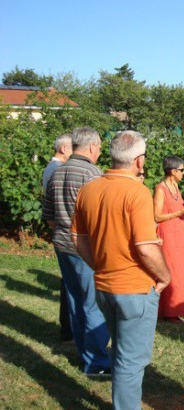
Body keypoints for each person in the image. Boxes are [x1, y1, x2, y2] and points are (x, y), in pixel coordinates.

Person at [71, 130, 171, 410]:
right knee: (131, 360)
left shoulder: (89, 188)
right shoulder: (136, 192)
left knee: (121, 354)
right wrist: (165, 276)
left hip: (104, 286)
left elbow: (77, 238)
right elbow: (146, 247)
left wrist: (101, 264)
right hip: (134, 289)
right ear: (139, 161)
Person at [41, 127, 110, 376]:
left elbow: (48, 216)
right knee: (94, 304)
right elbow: (100, 216)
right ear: (92, 147)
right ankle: (97, 363)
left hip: (61, 244)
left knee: (74, 301)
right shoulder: (92, 173)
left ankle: (84, 354)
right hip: (85, 248)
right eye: (100, 148)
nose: (100, 152)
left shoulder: (56, 174)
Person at [153, 156, 184, 322]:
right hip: (168, 234)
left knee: (182, 270)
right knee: (171, 269)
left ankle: (181, 307)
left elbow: (177, 208)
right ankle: (169, 311)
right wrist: (179, 213)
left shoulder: (175, 186)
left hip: (179, 233)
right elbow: (156, 216)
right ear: (173, 171)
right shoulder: (160, 189)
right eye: (182, 170)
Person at [42, 133, 73, 343]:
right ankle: (68, 330)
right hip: (66, 234)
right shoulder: (57, 170)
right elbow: (52, 209)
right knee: (69, 284)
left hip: (60, 232)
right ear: (63, 149)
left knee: (68, 282)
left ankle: (69, 330)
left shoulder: (50, 169)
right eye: (72, 147)